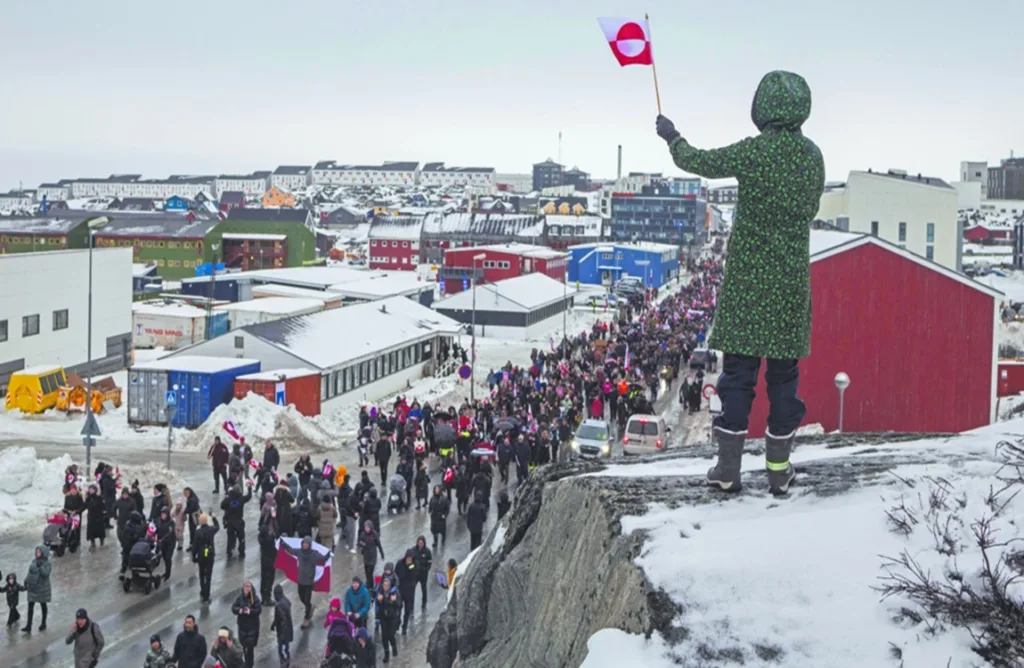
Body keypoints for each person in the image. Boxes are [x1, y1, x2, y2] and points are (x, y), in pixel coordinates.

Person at [656, 70, 824, 495]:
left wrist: (672, 136)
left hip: (749, 281)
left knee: (738, 378)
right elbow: (809, 208)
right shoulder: (811, 157)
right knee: (785, 379)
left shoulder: (754, 153)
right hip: (788, 281)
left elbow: (697, 162)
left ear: (761, 107)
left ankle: (728, 469)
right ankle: (778, 470)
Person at [278, 535, 331, 628]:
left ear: (309, 545)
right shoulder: (299, 552)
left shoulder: (314, 554)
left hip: (309, 582)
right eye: (304, 543)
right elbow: (290, 550)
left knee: (306, 600)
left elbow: (322, 559)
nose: (305, 545)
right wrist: (283, 544)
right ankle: (310, 607)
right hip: (300, 581)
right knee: (302, 597)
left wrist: (328, 554)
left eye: (306, 544)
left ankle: (306, 619)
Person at [231, 580, 262, 668]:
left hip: (252, 628)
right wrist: (239, 610)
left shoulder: (255, 599)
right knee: (244, 647)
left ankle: (249, 664)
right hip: (242, 628)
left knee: (250, 649)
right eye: (245, 586)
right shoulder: (240, 598)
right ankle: (247, 663)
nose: (247, 589)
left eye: (249, 587)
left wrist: (250, 611)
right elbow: (233, 608)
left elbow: (258, 610)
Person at [191, 513, 220, 603]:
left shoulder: (198, 532)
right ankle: (206, 596)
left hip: (201, 556)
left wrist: (193, 556)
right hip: (209, 555)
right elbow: (217, 527)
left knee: (202, 574)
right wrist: (214, 518)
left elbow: (194, 545)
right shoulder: (211, 530)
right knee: (208, 576)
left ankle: (203, 591)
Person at [22, 545, 51, 633]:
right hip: (33, 587)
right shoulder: (34, 561)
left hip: (42, 588)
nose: (37, 553)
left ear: (43, 553)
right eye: (36, 552)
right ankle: (28, 625)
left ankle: (43, 623)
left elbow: (46, 574)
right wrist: (26, 580)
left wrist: (41, 566)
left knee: (43, 605)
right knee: (30, 606)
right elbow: (30, 572)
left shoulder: (47, 563)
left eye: (39, 552)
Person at [220, 484, 252, 559]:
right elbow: (248, 496)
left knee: (230, 538)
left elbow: (222, 506)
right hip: (239, 521)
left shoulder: (228, 499)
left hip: (230, 522)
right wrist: (249, 488)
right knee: (241, 538)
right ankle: (241, 552)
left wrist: (227, 508)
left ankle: (229, 552)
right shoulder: (241, 499)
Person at [375, 577, 401, 663]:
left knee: (390, 634)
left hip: (393, 617)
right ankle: (387, 654)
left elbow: (399, 606)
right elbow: (378, 604)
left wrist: (394, 601)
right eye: (384, 585)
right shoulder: (381, 592)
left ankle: (394, 646)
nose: (385, 587)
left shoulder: (394, 593)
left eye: (387, 585)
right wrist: (379, 601)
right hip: (384, 617)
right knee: (384, 636)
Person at [270, 584, 293, 668]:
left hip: (282, 631)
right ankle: (288, 659)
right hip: (288, 629)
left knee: (280, 649)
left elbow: (278, 618)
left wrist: (273, 625)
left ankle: (283, 662)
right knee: (286, 648)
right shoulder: (286, 600)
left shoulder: (278, 605)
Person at [357, 520, 385, 587]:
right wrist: (362, 544)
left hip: (373, 556)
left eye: (368, 527)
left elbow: (378, 544)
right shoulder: (363, 534)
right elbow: (359, 543)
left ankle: (368, 585)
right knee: (367, 573)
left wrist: (382, 553)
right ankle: (370, 585)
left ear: (371, 527)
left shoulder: (374, 534)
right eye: (365, 527)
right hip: (366, 556)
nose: (366, 529)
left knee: (370, 572)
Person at [397, 549, 418, 634]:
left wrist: (409, 566)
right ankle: (397, 623)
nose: (409, 560)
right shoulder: (399, 563)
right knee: (398, 608)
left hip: (409, 591)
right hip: (400, 590)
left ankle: (404, 627)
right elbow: (396, 574)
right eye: (408, 558)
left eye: (410, 558)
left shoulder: (414, 565)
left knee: (407, 611)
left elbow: (414, 575)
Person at [155, 505, 177, 581]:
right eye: (162, 514)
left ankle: (168, 573)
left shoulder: (171, 522)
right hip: (162, 543)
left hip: (170, 543)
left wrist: (163, 539)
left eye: (164, 514)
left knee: (168, 558)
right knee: (164, 557)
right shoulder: (158, 520)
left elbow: (170, 532)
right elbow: (156, 529)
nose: (163, 516)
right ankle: (166, 572)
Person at [413, 535, 432, 611]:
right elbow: (411, 562)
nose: (420, 544)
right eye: (419, 543)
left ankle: (424, 603)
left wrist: (426, 569)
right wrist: (412, 569)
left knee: (424, 589)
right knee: (412, 588)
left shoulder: (427, 551)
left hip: (423, 575)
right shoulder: (413, 550)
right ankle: (411, 603)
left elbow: (429, 562)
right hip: (415, 574)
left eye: (421, 543)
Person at [83, 484, 106, 548]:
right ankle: (92, 542)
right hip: (91, 517)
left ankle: (102, 540)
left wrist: (104, 512)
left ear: (95, 490)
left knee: (100, 530)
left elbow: (103, 507)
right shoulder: (88, 498)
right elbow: (84, 506)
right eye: (90, 489)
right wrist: (77, 511)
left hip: (99, 516)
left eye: (92, 489)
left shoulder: (99, 498)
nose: (91, 491)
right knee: (91, 530)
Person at [182, 487, 201, 551]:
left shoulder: (192, 499)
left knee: (193, 531)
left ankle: (193, 544)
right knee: (192, 531)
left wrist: (185, 511)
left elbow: (191, 508)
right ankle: (193, 544)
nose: (185, 494)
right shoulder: (191, 498)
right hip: (194, 516)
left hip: (194, 516)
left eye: (186, 493)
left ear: (189, 492)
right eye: (184, 493)